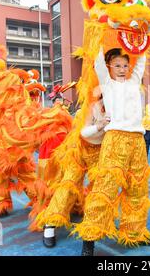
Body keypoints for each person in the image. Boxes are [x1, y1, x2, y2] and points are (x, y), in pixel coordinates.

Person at [72, 48, 150, 256]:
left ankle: (134, 232)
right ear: (109, 67)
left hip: (137, 141)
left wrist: (144, 35)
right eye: (117, 65)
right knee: (105, 187)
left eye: (125, 65)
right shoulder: (107, 85)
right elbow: (98, 58)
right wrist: (101, 23)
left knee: (138, 188)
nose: (122, 69)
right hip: (115, 139)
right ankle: (89, 238)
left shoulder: (135, 82)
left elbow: (142, 59)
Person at [37, 95, 108, 248]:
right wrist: (99, 126)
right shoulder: (89, 108)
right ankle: (50, 223)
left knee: (100, 189)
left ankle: (93, 227)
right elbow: (83, 132)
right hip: (78, 151)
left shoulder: (121, 106)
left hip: (101, 153)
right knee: (68, 185)